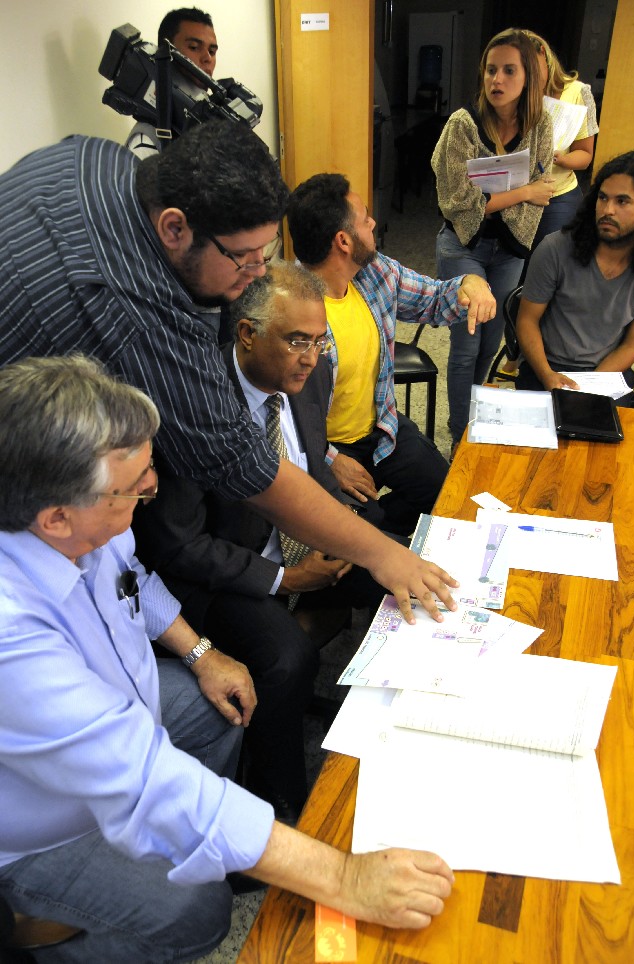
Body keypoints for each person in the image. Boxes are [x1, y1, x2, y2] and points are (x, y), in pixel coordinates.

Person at [0, 355, 454, 963]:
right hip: (39, 825)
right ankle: (38, 929)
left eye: (148, 470)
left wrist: (202, 652)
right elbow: (139, 777)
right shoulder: (11, 635)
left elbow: (132, 580)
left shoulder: (77, 525)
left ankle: (205, 837)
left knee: (220, 707)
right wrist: (345, 878)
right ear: (55, 517)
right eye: (132, 489)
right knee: (196, 912)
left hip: (118, 720)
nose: (152, 490)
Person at [0, 120, 460, 627]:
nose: (258, 273)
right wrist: (386, 556)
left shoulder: (99, 158)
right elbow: (250, 469)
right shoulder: (136, 318)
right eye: (242, 257)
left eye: (264, 253)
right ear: (174, 228)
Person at [134, 262, 388, 820]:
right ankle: (279, 807)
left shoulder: (310, 375)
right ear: (247, 333)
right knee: (286, 657)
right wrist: (288, 578)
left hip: (299, 545)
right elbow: (178, 546)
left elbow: (310, 466)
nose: (312, 357)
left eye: (319, 341)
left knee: (394, 556)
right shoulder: (197, 405)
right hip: (226, 572)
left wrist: (338, 526)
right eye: (298, 340)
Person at [286, 173, 496, 535]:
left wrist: (469, 283)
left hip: (381, 428)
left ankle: (381, 523)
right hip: (323, 449)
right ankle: (376, 529)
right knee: (362, 551)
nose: (373, 223)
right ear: (343, 241)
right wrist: (328, 460)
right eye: (365, 218)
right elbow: (277, 419)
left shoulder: (372, 272)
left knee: (449, 497)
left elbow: (433, 298)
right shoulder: (290, 312)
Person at [431, 27, 554, 453]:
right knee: (466, 344)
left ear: (527, 80)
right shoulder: (462, 125)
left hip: (510, 249)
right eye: (490, 70)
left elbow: (544, 185)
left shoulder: (540, 125)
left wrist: (499, 198)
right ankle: (461, 438)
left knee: (491, 342)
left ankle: (474, 421)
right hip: (463, 246)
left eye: (508, 71)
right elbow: (457, 203)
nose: (496, 80)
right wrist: (520, 193)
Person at [515, 151, 634, 405]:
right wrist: (548, 375)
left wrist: (589, 389)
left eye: (622, 201)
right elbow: (527, 321)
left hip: (607, 374)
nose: (608, 210)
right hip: (547, 369)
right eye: (602, 198)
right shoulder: (556, 248)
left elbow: (631, 345)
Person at [523, 29, 599, 254]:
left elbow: (585, 156)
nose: (529, 76)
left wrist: (561, 159)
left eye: (531, 66)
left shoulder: (578, 92)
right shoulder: (515, 91)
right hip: (519, 193)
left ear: (544, 54)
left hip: (558, 194)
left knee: (549, 259)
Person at [125, 7, 219, 159]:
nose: (207, 58)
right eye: (194, 47)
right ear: (165, 54)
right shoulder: (146, 142)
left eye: (212, 51)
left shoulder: (207, 121)